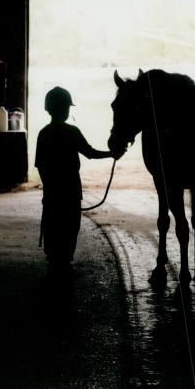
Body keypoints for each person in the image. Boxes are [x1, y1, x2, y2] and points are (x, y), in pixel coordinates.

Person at [35, 86, 113, 278]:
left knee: (53, 226)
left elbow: (41, 166)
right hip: (70, 188)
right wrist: (112, 153)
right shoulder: (72, 132)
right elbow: (90, 153)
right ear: (65, 109)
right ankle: (65, 262)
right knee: (70, 226)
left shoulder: (44, 133)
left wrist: (49, 189)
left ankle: (54, 262)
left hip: (52, 191)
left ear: (48, 109)